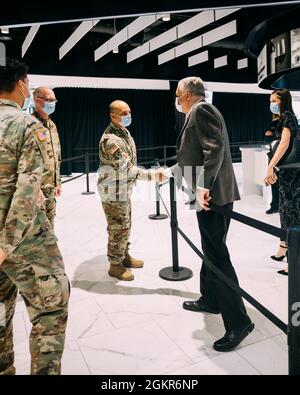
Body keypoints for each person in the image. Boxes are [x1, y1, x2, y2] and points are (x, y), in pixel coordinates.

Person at [173, 77, 254, 352]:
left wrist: (203, 186)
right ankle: (210, 299)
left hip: (210, 196)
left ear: (187, 95)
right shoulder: (197, 111)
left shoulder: (202, 110)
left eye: (178, 94)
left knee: (218, 254)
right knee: (210, 248)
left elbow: (215, 150)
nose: (177, 99)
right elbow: (193, 153)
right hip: (205, 193)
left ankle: (239, 321)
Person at [0, 58, 69, 375]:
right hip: (20, 240)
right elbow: (27, 190)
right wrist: (6, 245)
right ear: (22, 83)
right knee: (51, 307)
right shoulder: (27, 125)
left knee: (0, 308)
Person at [98, 100, 164, 281]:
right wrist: (152, 175)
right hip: (113, 191)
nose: (128, 116)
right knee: (118, 227)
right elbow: (126, 168)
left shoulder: (123, 133)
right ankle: (115, 265)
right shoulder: (112, 140)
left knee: (126, 224)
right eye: (124, 113)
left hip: (123, 188)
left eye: (129, 112)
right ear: (113, 116)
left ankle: (123, 255)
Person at [264, 89, 300, 275]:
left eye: (274, 100)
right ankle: (283, 248)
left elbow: (285, 143)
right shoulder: (284, 118)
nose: (272, 104)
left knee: (292, 215)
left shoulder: (287, 116)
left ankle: (294, 262)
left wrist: (271, 166)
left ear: (283, 101)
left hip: (293, 175)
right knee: (285, 212)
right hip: (287, 172)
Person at [32, 87, 61, 228]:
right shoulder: (29, 125)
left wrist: (57, 182)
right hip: (35, 191)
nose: (52, 103)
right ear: (36, 100)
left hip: (50, 189)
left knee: (49, 230)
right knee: (36, 232)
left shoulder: (52, 126)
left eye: (54, 100)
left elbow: (56, 156)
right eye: (49, 100)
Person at [265, 114, 280, 214]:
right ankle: (274, 205)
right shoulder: (273, 123)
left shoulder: (289, 120)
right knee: (273, 182)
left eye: (274, 101)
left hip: (284, 156)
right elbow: (268, 138)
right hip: (273, 154)